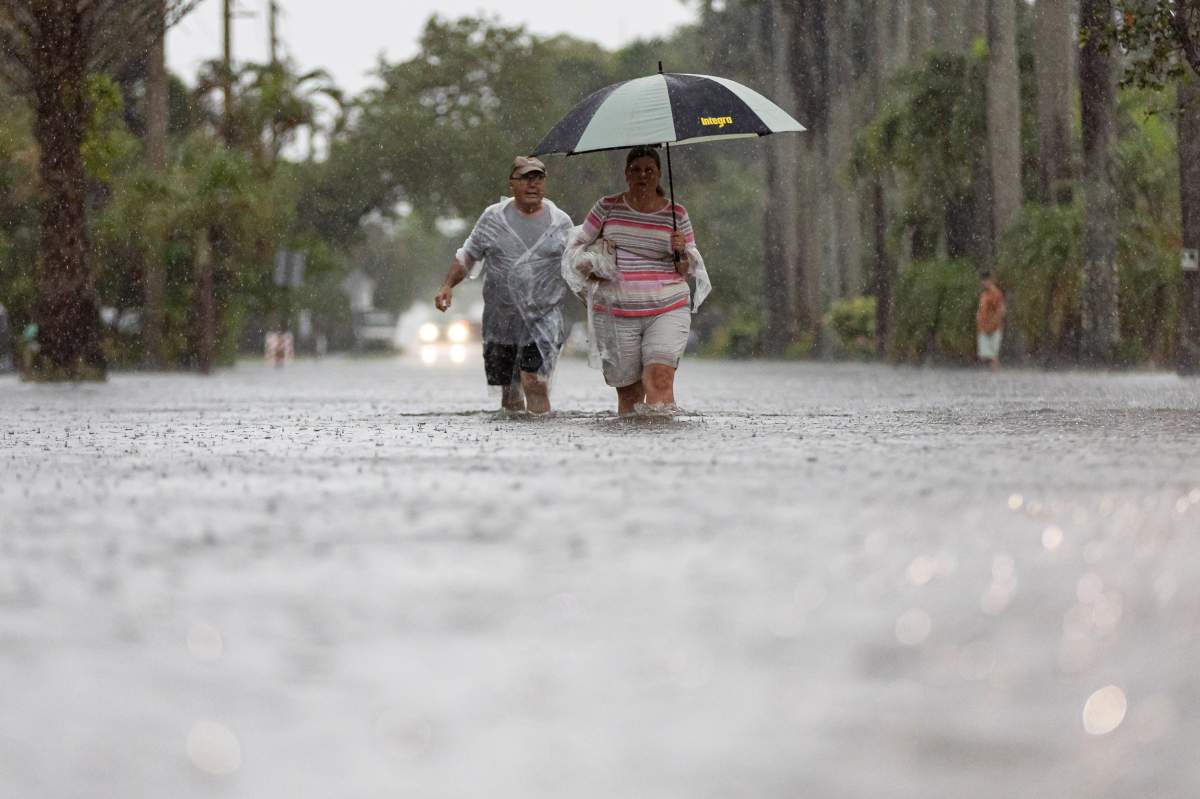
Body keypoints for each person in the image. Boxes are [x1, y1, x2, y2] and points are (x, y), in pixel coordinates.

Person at [563, 146, 710, 414]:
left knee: (659, 378)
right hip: (616, 311)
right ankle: (634, 451)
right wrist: (590, 266)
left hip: (668, 306)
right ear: (626, 174)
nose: (643, 176)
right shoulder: (607, 207)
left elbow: (685, 269)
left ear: (659, 175)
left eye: (649, 170)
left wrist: (681, 250)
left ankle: (663, 448)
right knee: (630, 395)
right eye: (636, 170)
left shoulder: (677, 214)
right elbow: (575, 249)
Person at [435, 156, 573, 414]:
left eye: (538, 179)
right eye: (526, 178)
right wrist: (447, 286)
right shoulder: (493, 218)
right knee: (510, 392)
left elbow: (574, 265)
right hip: (502, 321)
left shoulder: (560, 223)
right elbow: (468, 255)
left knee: (533, 380)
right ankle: (514, 446)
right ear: (512, 183)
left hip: (542, 319)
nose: (533, 185)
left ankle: (541, 440)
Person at [976, 272, 1006, 370]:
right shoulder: (983, 295)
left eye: (985, 281)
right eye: (982, 281)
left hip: (994, 327)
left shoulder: (996, 293)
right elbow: (981, 310)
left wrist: (993, 324)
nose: (984, 283)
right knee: (985, 354)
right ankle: (993, 372)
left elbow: (1001, 310)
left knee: (992, 355)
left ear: (990, 280)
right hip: (983, 328)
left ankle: (996, 373)